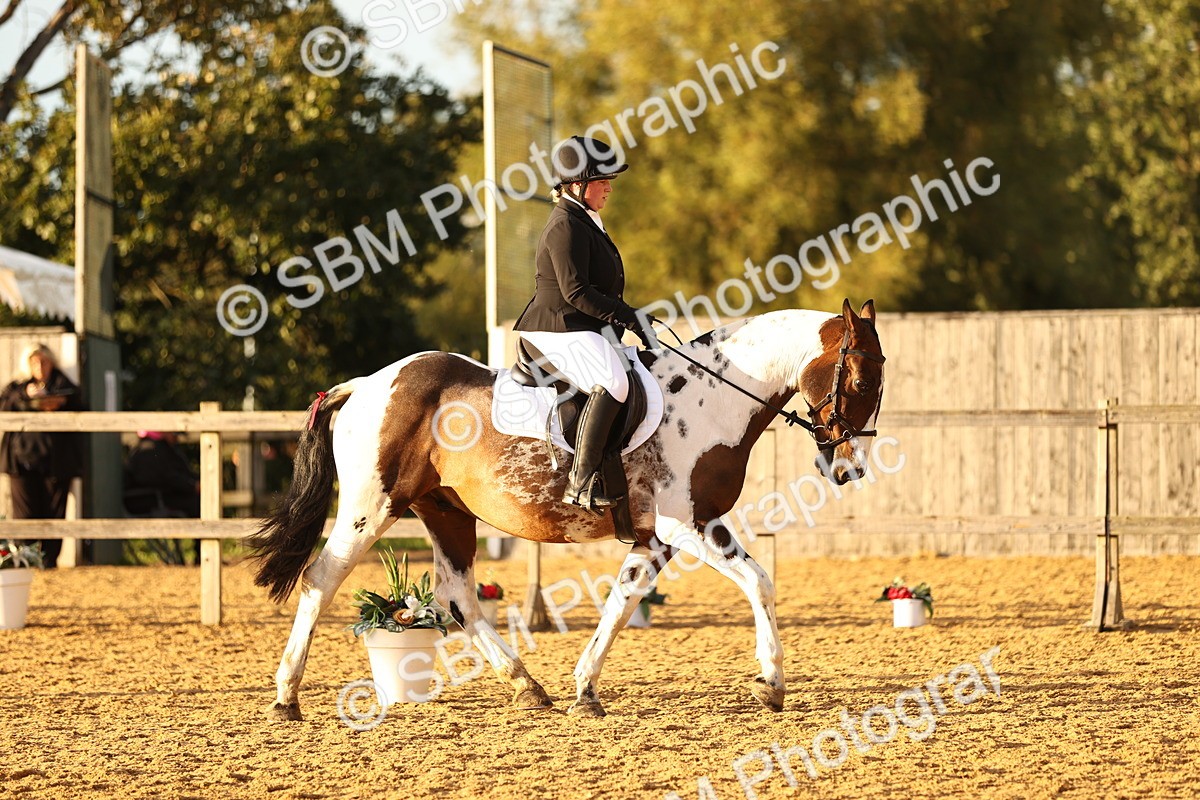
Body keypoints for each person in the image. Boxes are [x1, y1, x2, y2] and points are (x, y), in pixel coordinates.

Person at [512, 135, 658, 513]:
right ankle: (580, 482)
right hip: (557, 328)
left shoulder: (585, 219)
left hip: (578, 327)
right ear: (577, 185)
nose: (609, 187)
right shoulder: (565, 225)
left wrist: (633, 318)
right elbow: (577, 292)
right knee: (615, 382)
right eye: (602, 180)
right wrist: (629, 316)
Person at [0, 343, 85, 568]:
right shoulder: (16, 388)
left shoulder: (65, 386)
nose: (39, 366)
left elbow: (80, 405)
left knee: (54, 513)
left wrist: (58, 403)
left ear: (52, 362)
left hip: (57, 463)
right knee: (25, 514)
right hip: (21, 462)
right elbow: (4, 406)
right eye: (34, 361)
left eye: (44, 361)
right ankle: (25, 561)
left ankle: (48, 562)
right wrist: (25, 398)